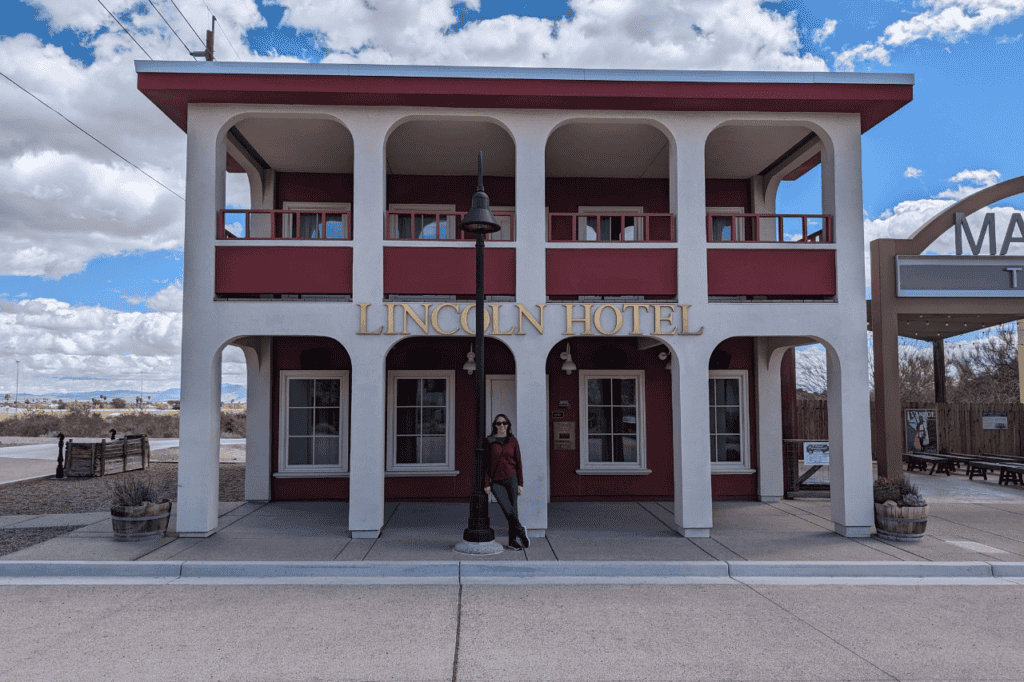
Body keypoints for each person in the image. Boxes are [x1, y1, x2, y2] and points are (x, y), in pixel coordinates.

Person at [483, 414, 530, 551]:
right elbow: (485, 464)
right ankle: (521, 532)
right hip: (496, 482)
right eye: (499, 423)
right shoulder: (489, 441)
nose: (502, 426)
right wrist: (486, 483)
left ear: (508, 425)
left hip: (512, 479)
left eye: (504, 423)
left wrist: (520, 483)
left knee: (513, 512)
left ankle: (512, 541)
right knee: (507, 510)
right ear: (495, 426)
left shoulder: (512, 440)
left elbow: (519, 462)